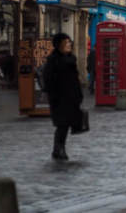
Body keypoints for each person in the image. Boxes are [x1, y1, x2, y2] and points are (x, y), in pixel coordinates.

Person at [41, 32, 84, 161]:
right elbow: (48, 79)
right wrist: (51, 93)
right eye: (66, 43)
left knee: (66, 125)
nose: (69, 44)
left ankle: (59, 148)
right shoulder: (53, 60)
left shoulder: (72, 59)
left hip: (72, 98)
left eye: (69, 42)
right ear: (59, 45)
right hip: (59, 98)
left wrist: (79, 95)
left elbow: (75, 79)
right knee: (62, 125)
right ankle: (59, 149)